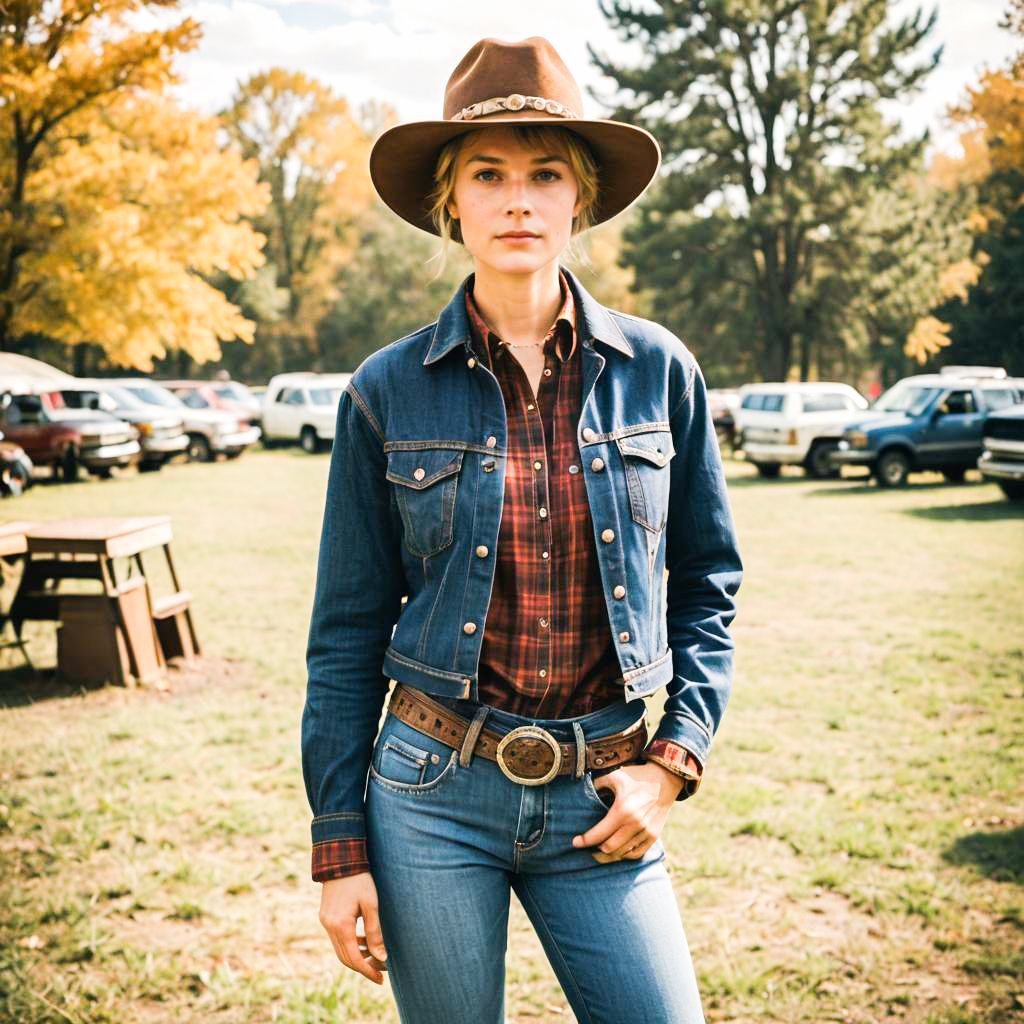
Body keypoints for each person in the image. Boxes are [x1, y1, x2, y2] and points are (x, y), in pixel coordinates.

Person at [302, 36, 743, 1024]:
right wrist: (340, 852)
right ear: (448, 201)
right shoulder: (383, 391)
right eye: (487, 174)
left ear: (577, 199)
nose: (516, 200)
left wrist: (671, 762)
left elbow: (707, 579)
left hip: (603, 797)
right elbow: (344, 632)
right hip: (430, 794)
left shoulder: (657, 371)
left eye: (545, 174)